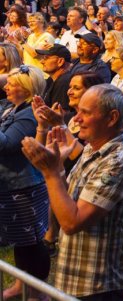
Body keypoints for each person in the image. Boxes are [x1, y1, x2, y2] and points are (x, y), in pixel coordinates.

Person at [22, 84, 123, 300]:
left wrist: (49, 172)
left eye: (85, 113)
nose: (76, 119)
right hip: (78, 276)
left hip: (98, 285)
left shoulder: (117, 161)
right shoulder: (93, 147)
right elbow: (68, 200)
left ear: (111, 118)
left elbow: (71, 222)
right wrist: (57, 168)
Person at [0, 65, 50, 300]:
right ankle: (24, 287)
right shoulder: (13, 108)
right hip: (12, 186)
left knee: (31, 243)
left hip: (24, 189)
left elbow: (8, 144)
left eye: (12, 83)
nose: (6, 86)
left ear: (26, 88)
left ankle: (39, 293)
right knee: (22, 242)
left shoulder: (29, 114)